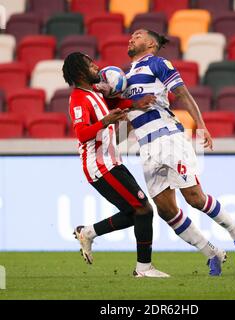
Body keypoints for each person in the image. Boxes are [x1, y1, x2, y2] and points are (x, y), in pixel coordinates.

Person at [121, 29, 235, 276]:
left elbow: (181, 93)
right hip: (146, 147)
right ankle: (211, 252)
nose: (131, 38)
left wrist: (201, 125)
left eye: (137, 36)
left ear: (151, 43)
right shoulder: (124, 76)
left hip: (169, 139)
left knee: (194, 198)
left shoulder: (159, 64)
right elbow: (131, 116)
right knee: (166, 210)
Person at [62, 52, 169, 278]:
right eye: (91, 65)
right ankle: (143, 269)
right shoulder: (79, 99)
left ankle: (88, 232)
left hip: (112, 161)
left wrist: (135, 104)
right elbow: (82, 134)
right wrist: (106, 121)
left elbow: (117, 102)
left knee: (135, 212)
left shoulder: (96, 92)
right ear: (81, 72)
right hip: (100, 165)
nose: (96, 67)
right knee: (144, 209)